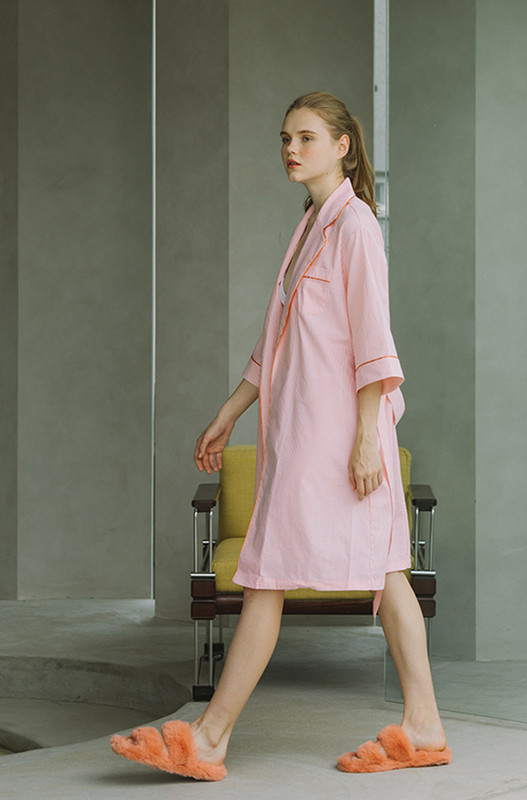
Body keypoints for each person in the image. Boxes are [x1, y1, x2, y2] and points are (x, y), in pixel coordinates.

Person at [111, 91, 451, 780]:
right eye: (285, 139)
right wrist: (231, 409)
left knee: (309, 572)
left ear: (342, 147)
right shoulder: (307, 229)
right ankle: (422, 727)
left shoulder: (356, 227)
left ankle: (211, 737)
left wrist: (366, 437)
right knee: (367, 571)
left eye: (306, 137)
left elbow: (373, 341)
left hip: (343, 438)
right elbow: (278, 345)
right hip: (301, 436)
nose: (291, 149)